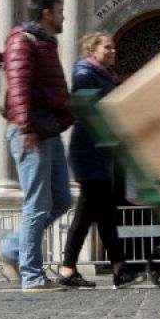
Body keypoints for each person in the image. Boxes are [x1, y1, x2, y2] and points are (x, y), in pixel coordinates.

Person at [0, 0, 75, 292]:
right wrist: (25, 126)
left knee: (61, 199)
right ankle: (32, 275)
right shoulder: (22, 40)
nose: (63, 17)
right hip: (31, 131)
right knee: (37, 204)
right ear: (46, 13)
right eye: (59, 11)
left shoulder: (43, 41)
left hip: (49, 131)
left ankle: (14, 250)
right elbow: (17, 85)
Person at [58, 32, 138, 289]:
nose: (113, 51)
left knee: (85, 215)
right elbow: (87, 108)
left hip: (99, 153)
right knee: (103, 213)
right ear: (92, 51)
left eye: (114, 47)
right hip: (89, 151)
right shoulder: (84, 73)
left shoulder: (103, 75)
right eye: (107, 47)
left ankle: (68, 269)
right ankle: (119, 268)